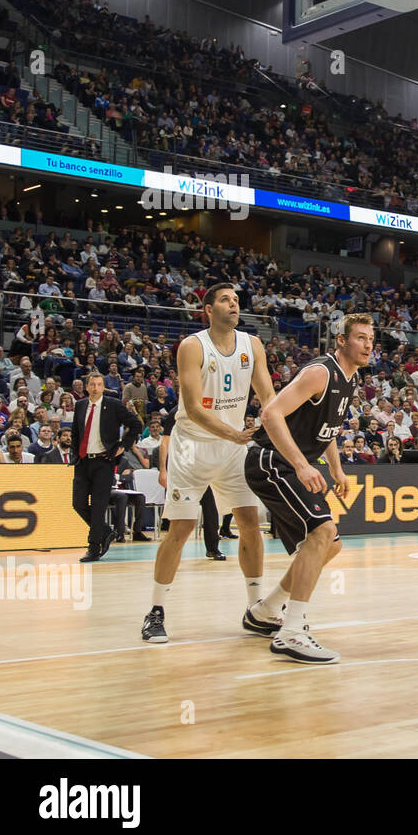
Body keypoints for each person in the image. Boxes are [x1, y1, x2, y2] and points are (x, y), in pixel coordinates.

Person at [141, 284, 277, 644]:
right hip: (193, 447)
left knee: (250, 523)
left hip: (233, 447)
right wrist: (234, 434)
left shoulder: (253, 345)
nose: (233, 304)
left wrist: (272, 423)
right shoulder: (192, 346)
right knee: (181, 530)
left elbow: (268, 396)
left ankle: (256, 608)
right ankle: (156, 611)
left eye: (236, 300)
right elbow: (195, 408)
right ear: (208, 308)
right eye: (225, 300)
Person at [243, 314, 372, 664]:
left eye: (371, 339)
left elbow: (325, 429)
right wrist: (301, 465)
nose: (368, 344)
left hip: (289, 463)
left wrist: (336, 467)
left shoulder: (349, 379)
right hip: (270, 461)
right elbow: (270, 415)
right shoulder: (320, 372)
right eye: (360, 338)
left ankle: (266, 610)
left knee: (329, 544)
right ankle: (291, 633)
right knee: (323, 532)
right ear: (341, 341)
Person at [73, 371, 142, 562]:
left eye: (99, 385)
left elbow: (135, 424)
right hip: (83, 461)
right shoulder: (79, 406)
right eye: (92, 384)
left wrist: (123, 446)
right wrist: (74, 454)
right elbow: (75, 433)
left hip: (103, 462)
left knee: (98, 506)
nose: (95, 388)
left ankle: (94, 547)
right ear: (86, 387)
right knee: (77, 503)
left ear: (103, 387)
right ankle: (105, 530)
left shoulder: (113, 405)